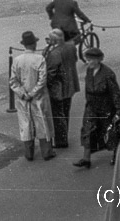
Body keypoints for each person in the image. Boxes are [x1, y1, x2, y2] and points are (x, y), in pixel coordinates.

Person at [74, 47, 120, 168]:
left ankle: (116, 155)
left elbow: (115, 93)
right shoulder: (90, 71)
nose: (88, 62)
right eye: (87, 59)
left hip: (106, 107)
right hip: (92, 107)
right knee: (87, 130)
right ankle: (86, 159)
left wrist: (119, 111)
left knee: (110, 132)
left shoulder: (108, 74)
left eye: (91, 60)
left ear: (98, 60)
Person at [9, 31, 55, 161]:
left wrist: (23, 94)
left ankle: (29, 153)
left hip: (23, 99)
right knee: (43, 122)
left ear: (24, 45)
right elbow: (42, 80)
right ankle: (47, 152)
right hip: (39, 97)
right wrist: (33, 93)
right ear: (34, 44)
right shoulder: (40, 59)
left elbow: (13, 81)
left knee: (26, 124)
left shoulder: (17, 60)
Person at [44, 28, 80, 149]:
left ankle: (61, 141)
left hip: (58, 88)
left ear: (53, 40)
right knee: (65, 112)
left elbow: (51, 72)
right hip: (70, 85)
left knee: (58, 114)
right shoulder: (70, 47)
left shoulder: (54, 53)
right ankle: (63, 137)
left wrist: (46, 85)